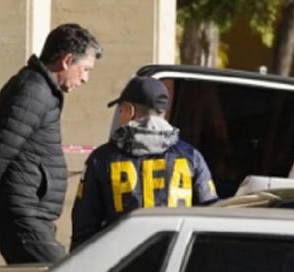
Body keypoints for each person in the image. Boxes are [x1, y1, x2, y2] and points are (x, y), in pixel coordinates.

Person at [0, 23, 102, 265]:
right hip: (21, 212)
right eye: (85, 69)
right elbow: (0, 152)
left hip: (31, 211)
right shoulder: (33, 90)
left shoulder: (41, 90)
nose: (85, 79)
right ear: (67, 60)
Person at [70, 77, 219, 250]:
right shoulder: (191, 156)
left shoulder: (102, 158)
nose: (120, 115)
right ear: (163, 113)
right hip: (172, 258)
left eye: (120, 110)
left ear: (129, 110)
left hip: (119, 260)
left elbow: (84, 225)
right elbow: (210, 216)